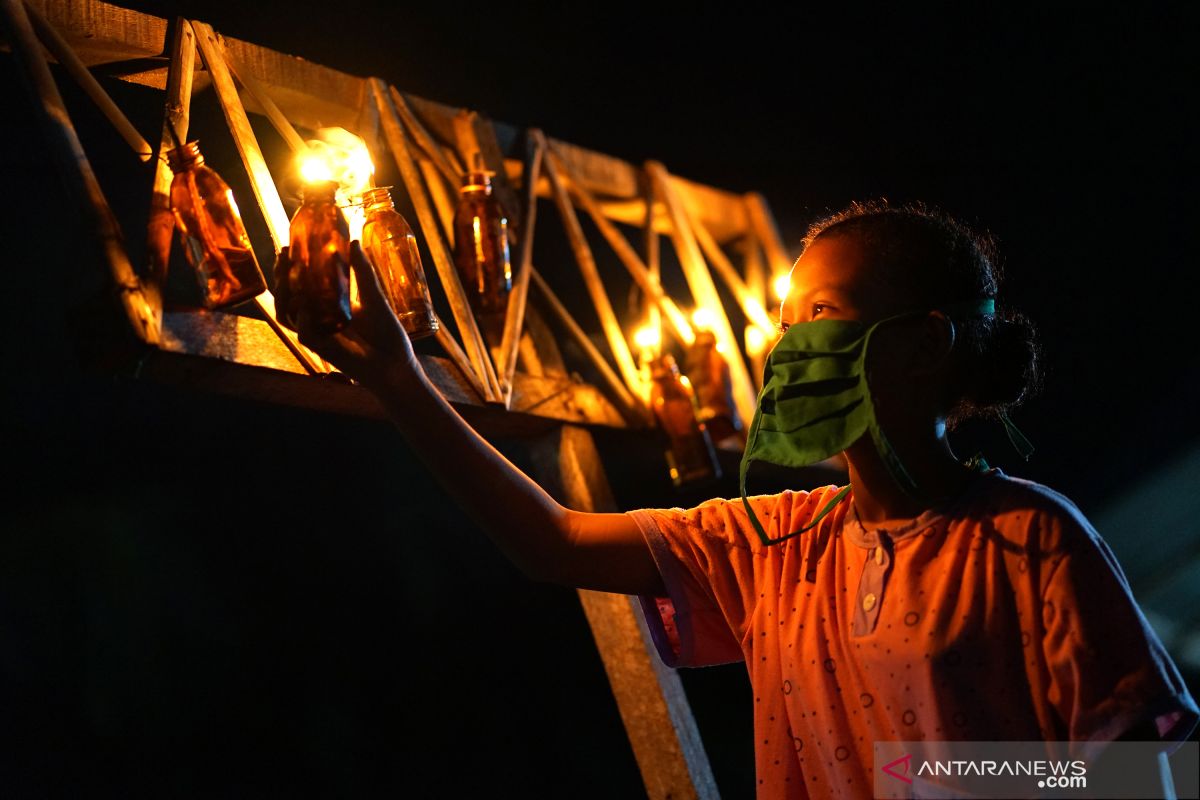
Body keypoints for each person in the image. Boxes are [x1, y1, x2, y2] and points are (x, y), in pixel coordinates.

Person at [274, 200, 1198, 799]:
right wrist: (401, 383)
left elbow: (1150, 772)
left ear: (921, 345)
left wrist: (939, 778)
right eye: (784, 325)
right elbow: (551, 542)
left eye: (822, 318)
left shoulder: (1030, 540)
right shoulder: (773, 544)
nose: (782, 351)